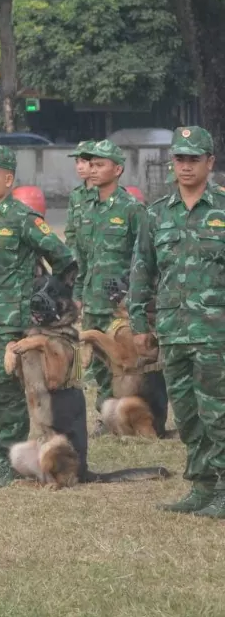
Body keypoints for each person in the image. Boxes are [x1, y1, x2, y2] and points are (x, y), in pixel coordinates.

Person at [0, 143, 75, 488]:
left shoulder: (23, 219)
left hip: (9, 325)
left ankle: (8, 462)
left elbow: (63, 259)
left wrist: (42, 298)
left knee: (7, 396)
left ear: (8, 179)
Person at [129, 126, 225, 516]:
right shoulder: (156, 214)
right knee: (186, 413)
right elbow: (142, 270)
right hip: (173, 332)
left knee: (217, 412)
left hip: (216, 332)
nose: (185, 166)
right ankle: (202, 486)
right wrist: (139, 322)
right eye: (180, 159)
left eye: (193, 159)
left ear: (210, 162)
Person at [73, 139, 146, 434]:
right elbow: (82, 257)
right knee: (96, 362)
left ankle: (129, 415)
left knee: (124, 363)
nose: (92, 169)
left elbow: (143, 256)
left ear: (117, 170)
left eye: (100, 165)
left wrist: (134, 295)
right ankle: (104, 415)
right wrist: (77, 294)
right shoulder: (86, 208)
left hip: (120, 303)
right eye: (91, 164)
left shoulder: (132, 208)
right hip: (93, 298)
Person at [64, 140, 97, 257]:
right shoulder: (76, 195)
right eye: (77, 162)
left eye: (83, 161)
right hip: (80, 262)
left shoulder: (106, 193)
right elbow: (70, 233)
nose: (79, 167)